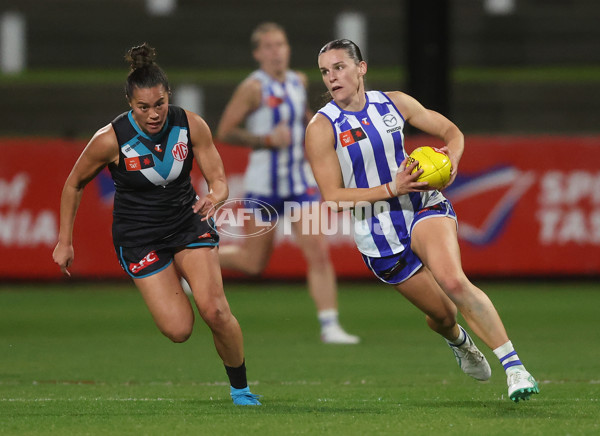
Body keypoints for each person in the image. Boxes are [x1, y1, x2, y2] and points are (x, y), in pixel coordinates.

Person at [305, 39, 539, 402]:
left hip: (424, 206)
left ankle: (515, 369)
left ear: (361, 68)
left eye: (339, 67)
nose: (332, 77)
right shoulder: (321, 128)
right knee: (444, 315)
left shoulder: (394, 103)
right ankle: (459, 342)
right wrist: (390, 186)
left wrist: (452, 160)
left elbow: (452, 133)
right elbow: (333, 197)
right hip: (378, 234)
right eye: (325, 71)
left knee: (453, 281)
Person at [52, 43, 261, 406]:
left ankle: (241, 390)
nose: (153, 114)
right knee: (179, 330)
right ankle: (173, 276)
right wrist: (63, 241)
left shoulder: (191, 124)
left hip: (186, 222)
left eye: (159, 104)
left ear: (169, 97)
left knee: (214, 309)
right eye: (143, 107)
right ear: (130, 105)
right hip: (138, 237)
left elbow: (220, 180)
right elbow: (73, 183)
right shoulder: (110, 140)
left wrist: (216, 196)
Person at [215, 23, 359, 344]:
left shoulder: (298, 81)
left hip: (300, 186)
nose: (275, 51)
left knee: (318, 254)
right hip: (263, 188)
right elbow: (225, 130)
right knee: (253, 264)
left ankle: (330, 325)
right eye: (267, 46)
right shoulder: (253, 88)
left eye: (280, 44)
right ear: (257, 53)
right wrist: (264, 139)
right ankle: (196, 260)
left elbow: (305, 118)